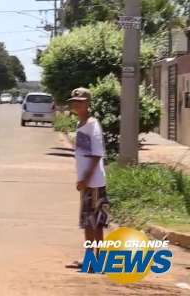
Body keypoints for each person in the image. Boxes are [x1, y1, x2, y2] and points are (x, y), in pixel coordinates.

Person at [68, 87, 109, 270]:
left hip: (94, 182)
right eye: (75, 101)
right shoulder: (81, 124)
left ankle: (97, 261)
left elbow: (97, 155)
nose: (77, 104)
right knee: (88, 223)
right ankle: (90, 259)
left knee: (96, 224)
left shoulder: (93, 125)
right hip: (87, 182)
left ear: (88, 103)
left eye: (81, 101)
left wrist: (85, 179)